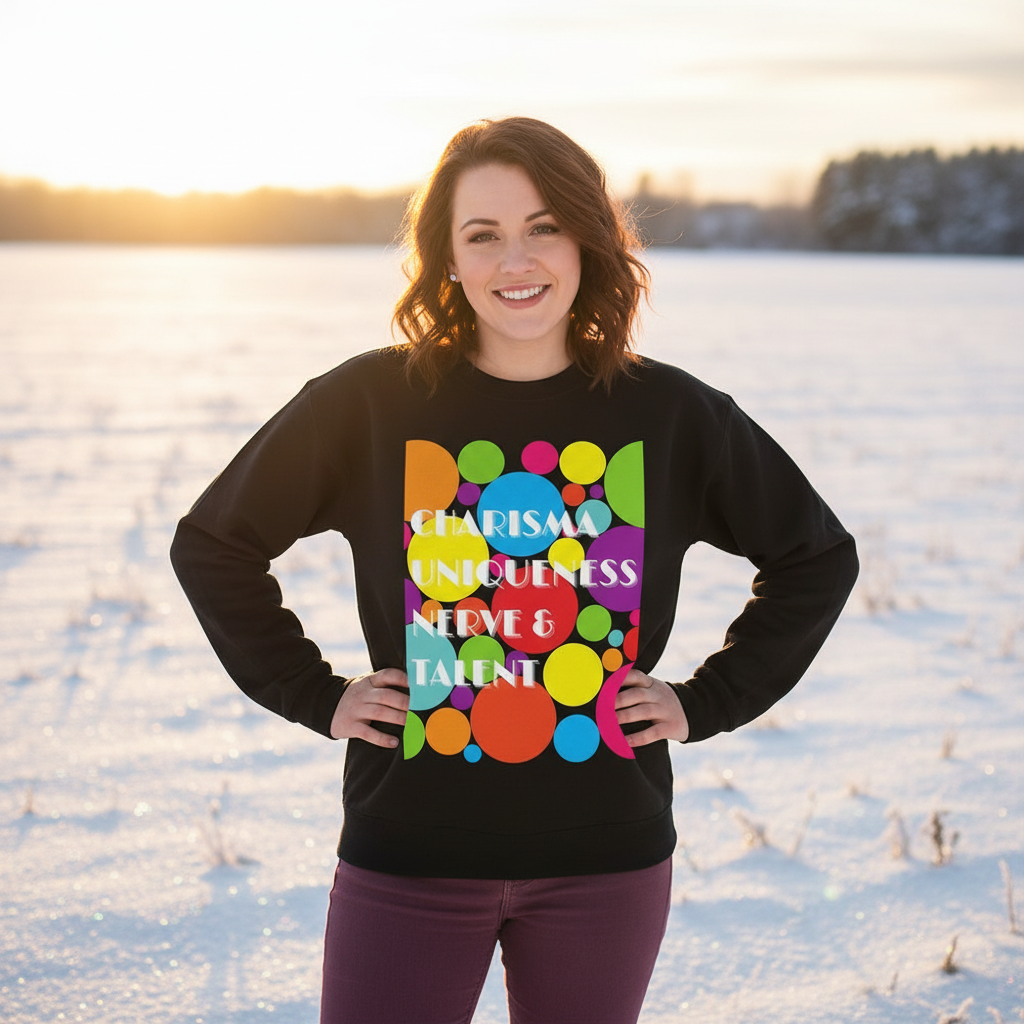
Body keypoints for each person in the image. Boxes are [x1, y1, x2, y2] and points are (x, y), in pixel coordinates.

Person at [170, 117, 858, 1024]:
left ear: (588, 240)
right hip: (408, 851)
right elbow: (215, 542)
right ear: (446, 259)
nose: (515, 259)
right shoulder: (371, 404)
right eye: (481, 234)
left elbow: (815, 557)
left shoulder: (673, 415)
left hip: (607, 860)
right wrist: (312, 691)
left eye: (543, 226)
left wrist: (708, 700)